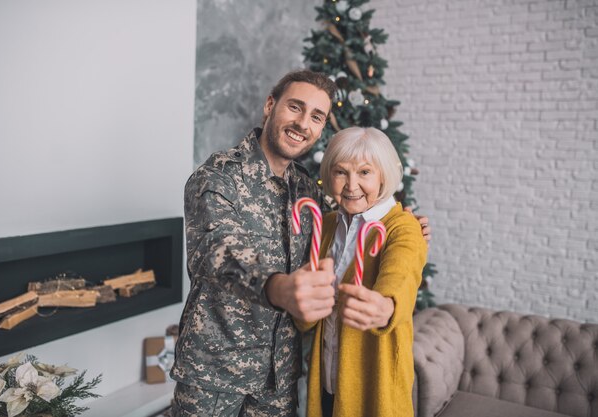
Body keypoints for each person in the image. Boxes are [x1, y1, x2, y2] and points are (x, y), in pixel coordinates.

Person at [171, 70, 430, 417]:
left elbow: (354, 221)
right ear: (270, 106)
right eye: (295, 107)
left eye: (316, 116)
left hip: (279, 379)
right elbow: (217, 251)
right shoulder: (218, 175)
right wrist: (278, 288)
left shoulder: (308, 191)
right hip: (214, 373)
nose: (303, 123)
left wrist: (405, 226)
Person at [298, 127, 428, 417]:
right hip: (327, 380)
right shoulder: (328, 224)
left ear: (383, 175)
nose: (351, 185)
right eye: (341, 172)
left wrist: (386, 306)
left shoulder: (403, 227)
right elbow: (306, 308)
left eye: (365, 172)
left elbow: (402, 274)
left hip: (374, 385)